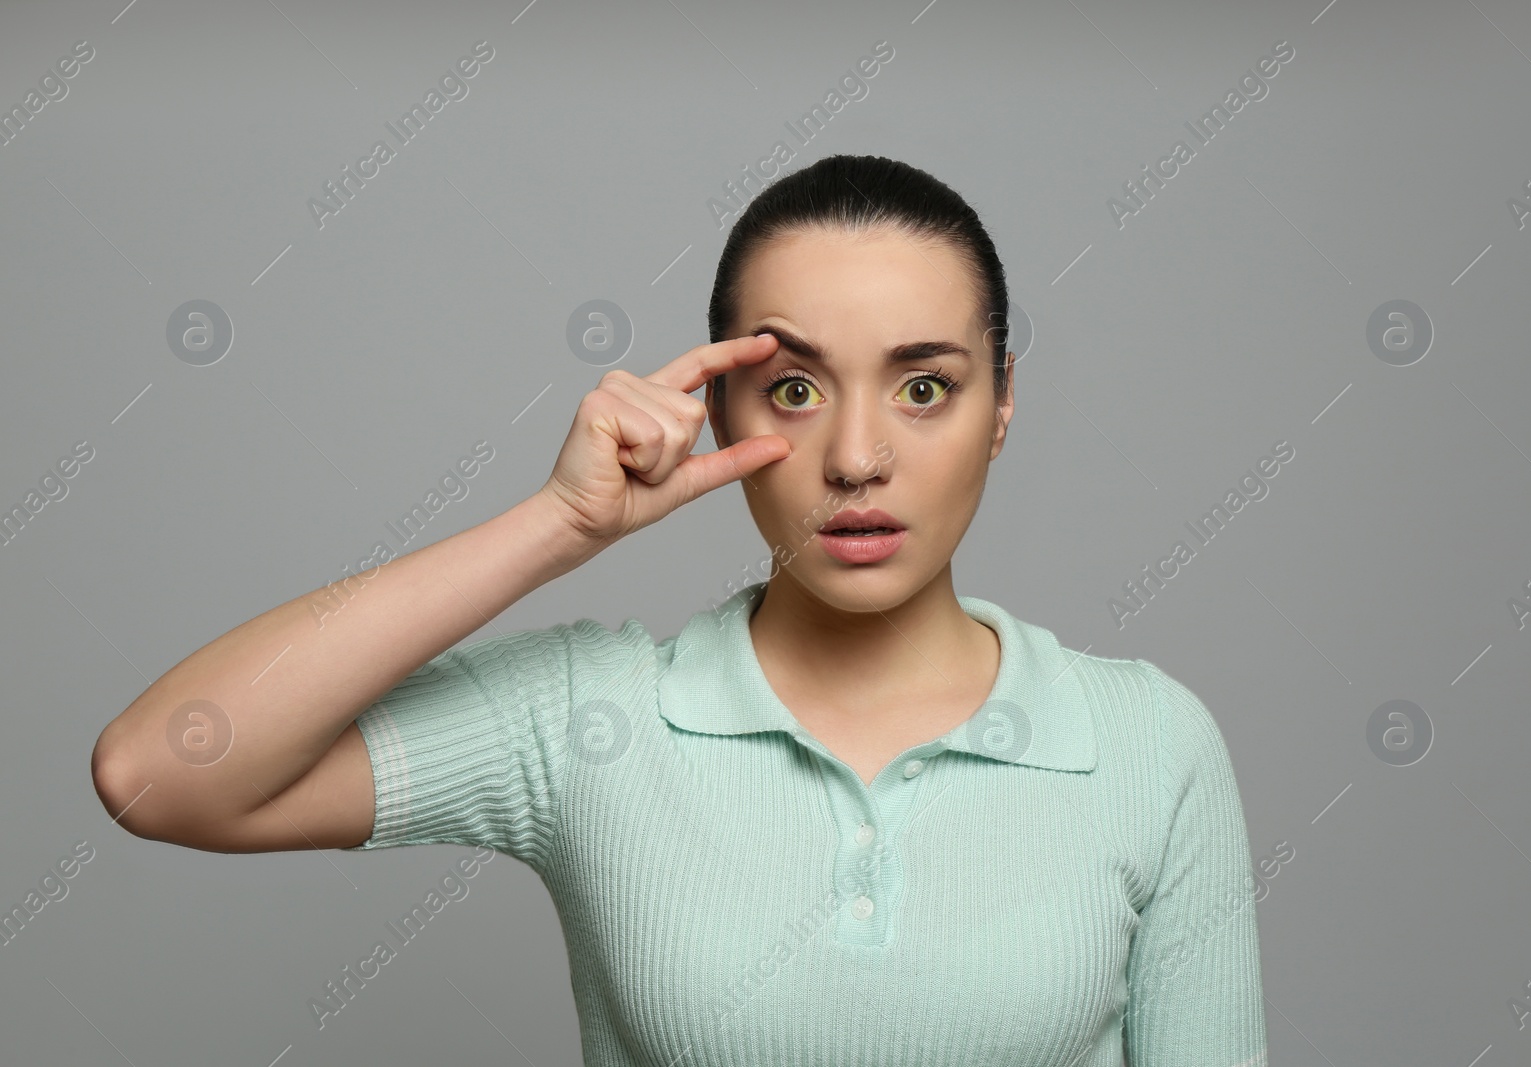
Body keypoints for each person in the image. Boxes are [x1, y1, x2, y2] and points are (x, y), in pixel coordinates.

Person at [91, 154, 1268, 1066]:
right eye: (795, 389)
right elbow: (158, 769)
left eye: (924, 387)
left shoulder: (1148, 743)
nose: (858, 457)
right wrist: (557, 523)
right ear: (718, 406)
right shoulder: (595, 717)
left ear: (1002, 402)